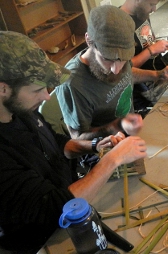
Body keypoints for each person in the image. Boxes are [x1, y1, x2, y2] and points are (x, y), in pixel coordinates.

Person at [0, 31, 147, 252]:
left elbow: (55, 144)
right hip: (47, 238)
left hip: (76, 207)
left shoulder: (19, 109)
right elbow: (55, 207)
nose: (47, 97)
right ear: (2, 88)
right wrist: (113, 160)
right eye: (38, 89)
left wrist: (94, 145)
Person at [56, 5, 168, 142]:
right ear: (88, 40)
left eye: (123, 60)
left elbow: (127, 74)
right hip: (106, 145)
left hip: (132, 127)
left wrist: (158, 75)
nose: (116, 70)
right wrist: (116, 126)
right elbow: (78, 138)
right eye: (107, 59)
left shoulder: (119, 55)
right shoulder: (72, 84)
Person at [120, 0, 168, 113]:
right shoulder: (119, 25)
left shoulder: (141, 13)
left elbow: (146, 41)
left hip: (158, 73)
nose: (154, 9)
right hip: (144, 88)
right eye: (151, 4)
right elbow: (122, 69)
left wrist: (161, 44)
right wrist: (151, 50)